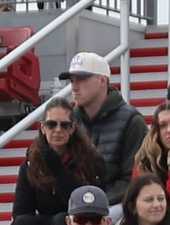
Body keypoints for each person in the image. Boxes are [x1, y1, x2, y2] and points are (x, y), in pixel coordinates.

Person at [11, 98, 108, 225]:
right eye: (51, 124)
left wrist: (58, 170)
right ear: (42, 128)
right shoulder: (31, 162)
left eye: (65, 125)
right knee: (22, 223)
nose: (58, 130)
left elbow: (83, 205)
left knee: (62, 220)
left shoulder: (91, 160)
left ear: (72, 129)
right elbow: (21, 210)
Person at [59, 52, 148, 203]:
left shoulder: (132, 121)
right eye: (72, 80)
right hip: (75, 204)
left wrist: (96, 203)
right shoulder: (67, 121)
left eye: (81, 79)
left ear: (103, 81)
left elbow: (132, 179)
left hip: (117, 205)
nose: (74, 87)